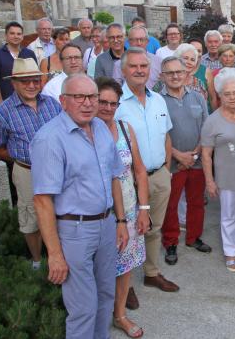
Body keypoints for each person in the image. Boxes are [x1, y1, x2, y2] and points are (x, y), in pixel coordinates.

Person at [30, 74, 127, 339]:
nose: (88, 103)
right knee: (83, 307)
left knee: (106, 294)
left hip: (107, 225)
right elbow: (42, 200)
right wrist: (55, 254)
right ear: (63, 101)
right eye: (79, 97)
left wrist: (120, 221)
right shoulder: (49, 139)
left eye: (92, 96)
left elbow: (114, 177)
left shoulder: (101, 129)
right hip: (75, 231)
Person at [114, 47, 180, 292]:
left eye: (144, 66)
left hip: (159, 176)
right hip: (129, 181)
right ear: (123, 70)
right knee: (128, 231)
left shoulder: (158, 99)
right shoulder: (116, 103)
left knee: (154, 228)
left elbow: (166, 135)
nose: (139, 70)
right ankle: (125, 286)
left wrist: (165, 168)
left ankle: (152, 273)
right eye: (133, 66)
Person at [0, 57, 62, 268]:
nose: (31, 85)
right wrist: (22, 159)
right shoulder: (3, 112)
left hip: (56, 168)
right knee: (31, 217)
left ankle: (58, 255)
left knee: (59, 210)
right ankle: (37, 261)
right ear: (14, 83)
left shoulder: (52, 104)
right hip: (27, 171)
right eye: (25, 81)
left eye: (35, 80)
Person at [95, 77, 149, 337]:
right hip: (99, 213)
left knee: (124, 266)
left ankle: (119, 315)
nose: (107, 108)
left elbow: (139, 170)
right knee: (99, 268)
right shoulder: (86, 131)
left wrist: (144, 209)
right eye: (102, 102)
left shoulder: (126, 130)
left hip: (128, 209)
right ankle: (96, 317)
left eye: (112, 103)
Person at [201, 68, 235, 272]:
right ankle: (230, 252)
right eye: (227, 94)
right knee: (228, 215)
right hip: (225, 177)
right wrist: (209, 181)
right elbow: (206, 154)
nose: (232, 97)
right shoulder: (212, 121)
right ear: (220, 95)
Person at [159, 56, 212, 265]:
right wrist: (178, 156)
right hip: (172, 163)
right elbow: (157, 135)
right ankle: (171, 242)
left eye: (178, 72)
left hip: (196, 161)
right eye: (170, 73)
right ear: (162, 76)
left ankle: (193, 237)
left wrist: (194, 155)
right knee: (170, 205)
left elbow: (206, 129)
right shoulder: (157, 100)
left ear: (186, 74)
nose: (175, 76)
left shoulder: (198, 97)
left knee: (197, 202)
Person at [0, 22, 37, 103]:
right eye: (12, 33)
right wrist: (0, 102)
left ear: (22, 36)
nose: (16, 36)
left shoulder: (29, 53)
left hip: (29, 99)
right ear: (6, 35)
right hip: (8, 100)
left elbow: (36, 77)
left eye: (19, 34)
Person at [207, 43, 235, 109]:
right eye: (225, 56)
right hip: (220, 110)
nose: (228, 59)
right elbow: (212, 98)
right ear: (220, 58)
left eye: (231, 56)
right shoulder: (213, 74)